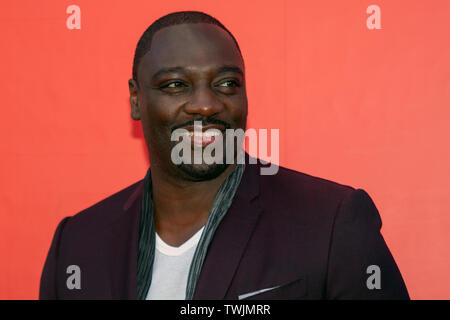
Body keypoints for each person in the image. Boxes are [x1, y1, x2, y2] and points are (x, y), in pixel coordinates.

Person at [39, 11, 409, 300]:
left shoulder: (333, 223)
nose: (205, 104)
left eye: (226, 83)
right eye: (175, 85)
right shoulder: (77, 244)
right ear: (137, 100)